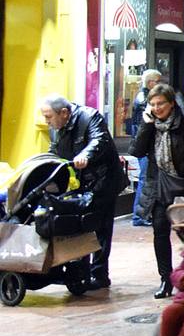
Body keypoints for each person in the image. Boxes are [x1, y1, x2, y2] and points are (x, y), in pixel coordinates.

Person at [131, 83, 184, 298]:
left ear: (172, 104)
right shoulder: (150, 124)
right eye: (153, 104)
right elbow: (136, 150)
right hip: (158, 185)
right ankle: (165, 279)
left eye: (161, 104)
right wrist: (146, 125)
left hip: (182, 184)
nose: (157, 108)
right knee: (160, 232)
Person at [42, 95, 124, 289]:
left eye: (49, 117)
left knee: (101, 227)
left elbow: (99, 140)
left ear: (64, 113)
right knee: (80, 226)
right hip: (80, 184)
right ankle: (80, 273)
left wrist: (85, 155)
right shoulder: (56, 128)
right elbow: (53, 151)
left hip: (103, 181)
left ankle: (100, 275)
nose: (47, 122)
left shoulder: (90, 117)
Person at [127, 69, 164, 226]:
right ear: (150, 83)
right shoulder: (145, 101)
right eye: (158, 81)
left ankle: (143, 214)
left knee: (146, 178)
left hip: (145, 145)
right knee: (145, 179)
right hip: (146, 146)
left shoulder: (143, 98)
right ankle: (139, 215)